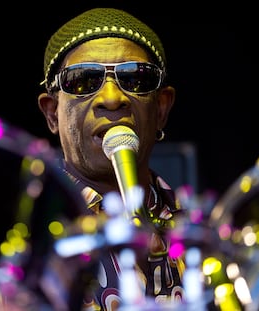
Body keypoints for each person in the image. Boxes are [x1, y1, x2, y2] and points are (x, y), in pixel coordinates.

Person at [37, 7, 185, 310]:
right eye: (83, 80)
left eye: (135, 79)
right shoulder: (29, 234)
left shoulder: (198, 233)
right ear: (52, 113)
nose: (111, 98)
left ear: (161, 109)